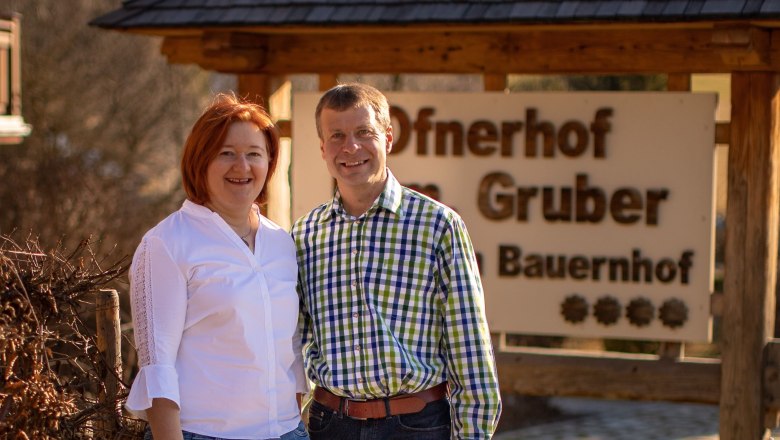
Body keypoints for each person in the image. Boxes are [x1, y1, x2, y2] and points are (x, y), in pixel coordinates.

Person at [292, 83, 502, 439]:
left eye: (364, 133)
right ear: (323, 149)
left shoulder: (438, 226)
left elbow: (471, 352)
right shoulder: (305, 235)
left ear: (387, 138)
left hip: (415, 425)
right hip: (329, 425)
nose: (351, 147)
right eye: (338, 136)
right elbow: (290, 342)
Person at [125, 94, 309, 440]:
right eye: (226, 153)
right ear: (200, 161)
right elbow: (156, 367)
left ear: (269, 163)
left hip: (288, 432)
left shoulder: (281, 242)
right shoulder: (167, 243)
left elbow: (290, 347)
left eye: (254, 154)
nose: (242, 166)